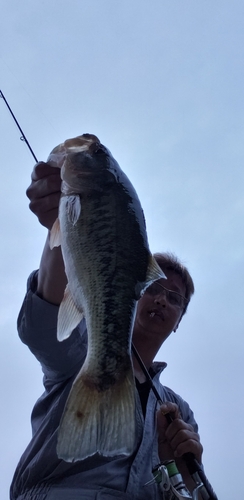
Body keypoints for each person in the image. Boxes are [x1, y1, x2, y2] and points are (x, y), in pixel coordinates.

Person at [10, 161, 204, 500]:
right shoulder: (82, 351)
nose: (161, 300)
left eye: (174, 298)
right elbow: (42, 326)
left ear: (179, 322)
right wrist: (63, 221)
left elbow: (184, 492)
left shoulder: (179, 411)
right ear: (130, 288)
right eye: (153, 288)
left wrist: (186, 470)